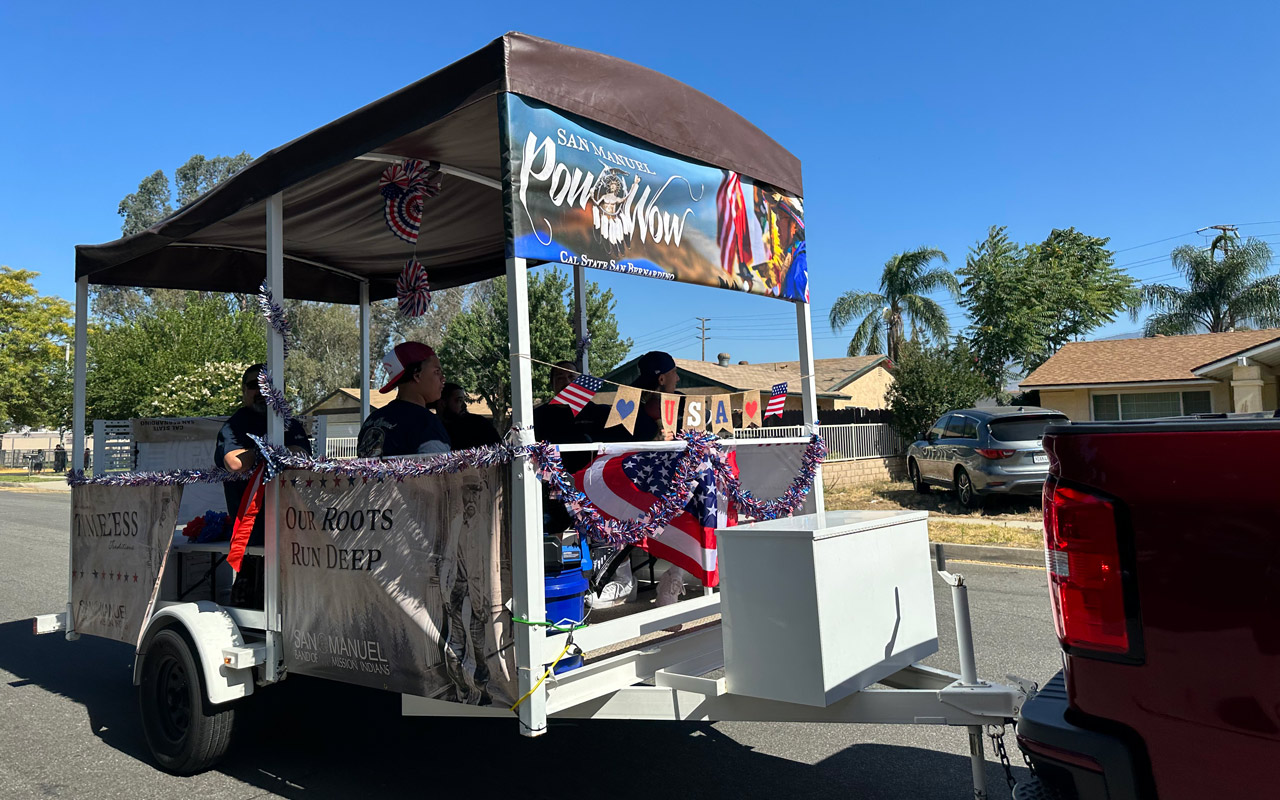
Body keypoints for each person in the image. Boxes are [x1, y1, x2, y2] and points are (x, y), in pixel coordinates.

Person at [214, 363, 312, 607]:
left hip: (290, 527)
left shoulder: (290, 424)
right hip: (252, 528)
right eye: (253, 386)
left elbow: (301, 454)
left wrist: (262, 454)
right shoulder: (235, 425)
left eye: (268, 386)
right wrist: (268, 452)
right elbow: (234, 463)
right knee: (248, 598)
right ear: (243, 391)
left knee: (290, 599)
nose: (260, 391)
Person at [357, 342, 450, 457]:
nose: (443, 378)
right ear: (417, 375)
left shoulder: (373, 419)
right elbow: (437, 472)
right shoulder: (425, 422)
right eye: (437, 372)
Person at [435, 383, 501, 451]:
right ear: (442, 404)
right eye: (459, 401)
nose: (464, 405)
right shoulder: (432, 428)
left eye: (463, 401)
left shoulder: (479, 425)